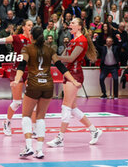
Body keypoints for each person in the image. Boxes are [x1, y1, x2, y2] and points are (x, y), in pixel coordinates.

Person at [12, 26, 81, 159]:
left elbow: (22, 65)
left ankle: (28, 147)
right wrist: (73, 80)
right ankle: (39, 150)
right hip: (48, 86)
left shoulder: (27, 49)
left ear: (31, 36)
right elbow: (61, 66)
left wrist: (16, 80)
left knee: (26, 115)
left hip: (34, 85)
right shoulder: (50, 49)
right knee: (40, 117)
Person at [47, 18, 102, 148]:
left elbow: (70, 58)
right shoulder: (72, 41)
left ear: (79, 27)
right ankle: (95, 130)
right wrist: (53, 56)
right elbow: (63, 57)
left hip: (75, 74)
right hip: (68, 73)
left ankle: (60, 138)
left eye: (73, 23)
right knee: (72, 108)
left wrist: (53, 57)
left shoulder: (82, 40)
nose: (70, 24)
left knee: (65, 106)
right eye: (70, 23)